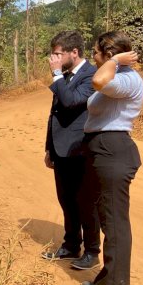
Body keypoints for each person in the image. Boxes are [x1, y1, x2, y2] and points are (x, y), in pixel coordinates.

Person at [73, 31, 143, 285]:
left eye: (97, 53)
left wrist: (115, 62)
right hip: (103, 149)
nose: (93, 57)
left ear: (110, 56)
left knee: (114, 222)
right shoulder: (118, 76)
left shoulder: (126, 78)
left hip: (113, 149)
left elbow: (99, 79)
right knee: (106, 216)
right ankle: (107, 279)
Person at [42, 31, 101, 270]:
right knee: (66, 200)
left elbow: (71, 102)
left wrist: (56, 74)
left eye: (57, 54)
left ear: (74, 52)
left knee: (85, 202)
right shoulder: (65, 76)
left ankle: (92, 250)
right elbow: (55, 113)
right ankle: (71, 244)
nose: (53, 59)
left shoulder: (91, 76)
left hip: (80, 151)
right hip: (61, 150)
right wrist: (49, 148)